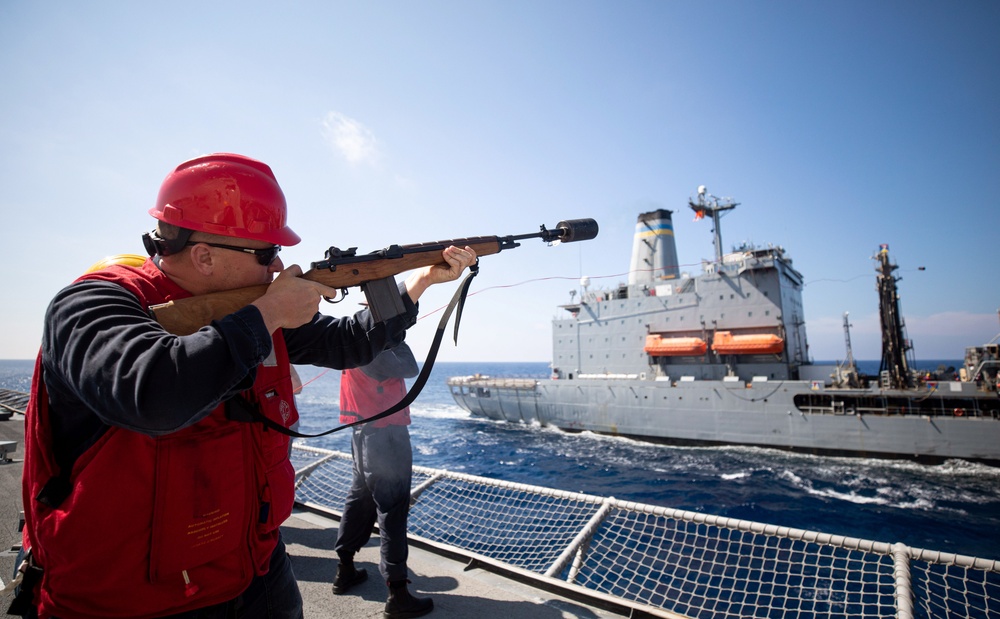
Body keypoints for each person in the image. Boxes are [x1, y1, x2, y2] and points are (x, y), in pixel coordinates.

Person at [13, 153, 476, 619]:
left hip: (253, 569)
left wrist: (416, 284)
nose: (278, 266)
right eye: (265, 253)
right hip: (128, 598)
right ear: (204, 255)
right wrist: (270, 312)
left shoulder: (250, 308)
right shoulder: (92, 304)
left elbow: (345, 344)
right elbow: (152, 393)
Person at [331, 341, 431, 618]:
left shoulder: (352, 339)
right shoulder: (371, 345)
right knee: (393, 508)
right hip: (386, 436)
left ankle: (345, 569)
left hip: (362, 434)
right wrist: (396, 336)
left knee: (360, 499)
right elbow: (409, 367)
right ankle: (398, 593)